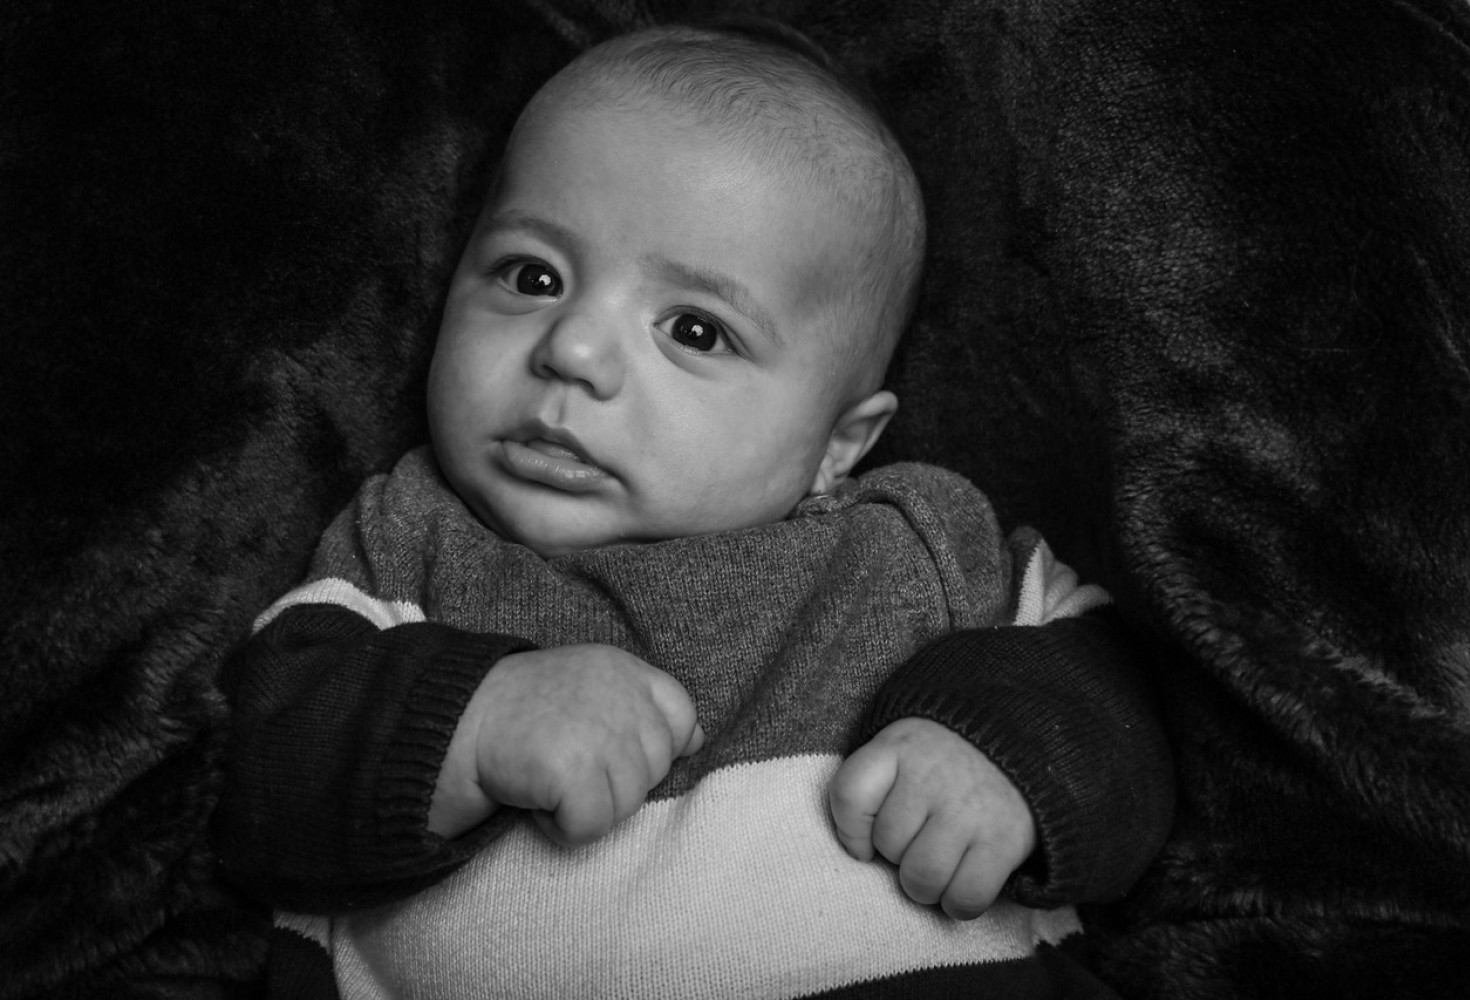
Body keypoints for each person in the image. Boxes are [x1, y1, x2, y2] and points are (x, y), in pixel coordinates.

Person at [214, 18, 1174, 999]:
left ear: (838, 444)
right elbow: (251, 779)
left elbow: (1129, 702)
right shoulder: (405, 539)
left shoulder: (916, 545)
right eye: (532, 276)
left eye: (695, 330)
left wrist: (1011, 757)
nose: (572, 351)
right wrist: (462, 722)